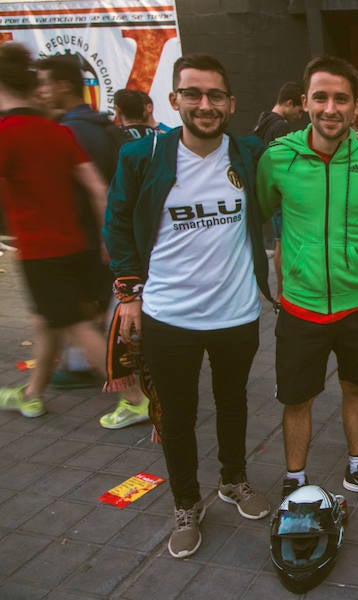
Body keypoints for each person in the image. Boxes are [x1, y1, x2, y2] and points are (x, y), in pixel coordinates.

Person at [104, 54, 273, 558]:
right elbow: (117, 223)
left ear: (231, 103)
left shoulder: (249, 151)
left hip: (237, 313)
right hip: (169, 316)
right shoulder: (144, 157)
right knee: (175, 416)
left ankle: (233, 480)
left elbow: (301, 156)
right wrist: (129, 295)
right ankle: (185, 502)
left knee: (234, 402)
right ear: (174, 100)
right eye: (193, 94)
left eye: (215, 95)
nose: (205, 104)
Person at [256, 55, 358, 508]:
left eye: (341, 99)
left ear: (356, 107)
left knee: (356, 388)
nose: (331, 108)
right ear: (305, 101)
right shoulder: (276, 159)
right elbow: (261, 213)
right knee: (297, 400)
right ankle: (294, 479)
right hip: (300, 308)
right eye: (321, 97)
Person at [36, 55, 150, 429]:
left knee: (82, 322)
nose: (42, 90)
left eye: (46, 83)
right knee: (98, 320)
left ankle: (133, 394)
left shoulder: (70, 131)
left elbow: (94, 189)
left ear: (64, 86)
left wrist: (105, 237)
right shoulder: (103, 125)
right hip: (105, 241)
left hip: (84, 244)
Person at [0, 43, 113, 421]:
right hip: (75, 245)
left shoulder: (8, 133)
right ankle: (32, 393)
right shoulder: (57, 132)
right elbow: (98, 189)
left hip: (38, 249)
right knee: (47, 320)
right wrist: (104, 239)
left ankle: (132, 394)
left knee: (77, 326)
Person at [252, 81, 310, 300]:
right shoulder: (280, 126)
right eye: (298, 109)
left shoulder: (264, 121)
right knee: (284, 242)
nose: (300, 114)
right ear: (288, 103)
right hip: (280, 195)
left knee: (280, 241)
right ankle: (283, 292)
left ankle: (282, 290)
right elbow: (281, 164)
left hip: (270, 193)